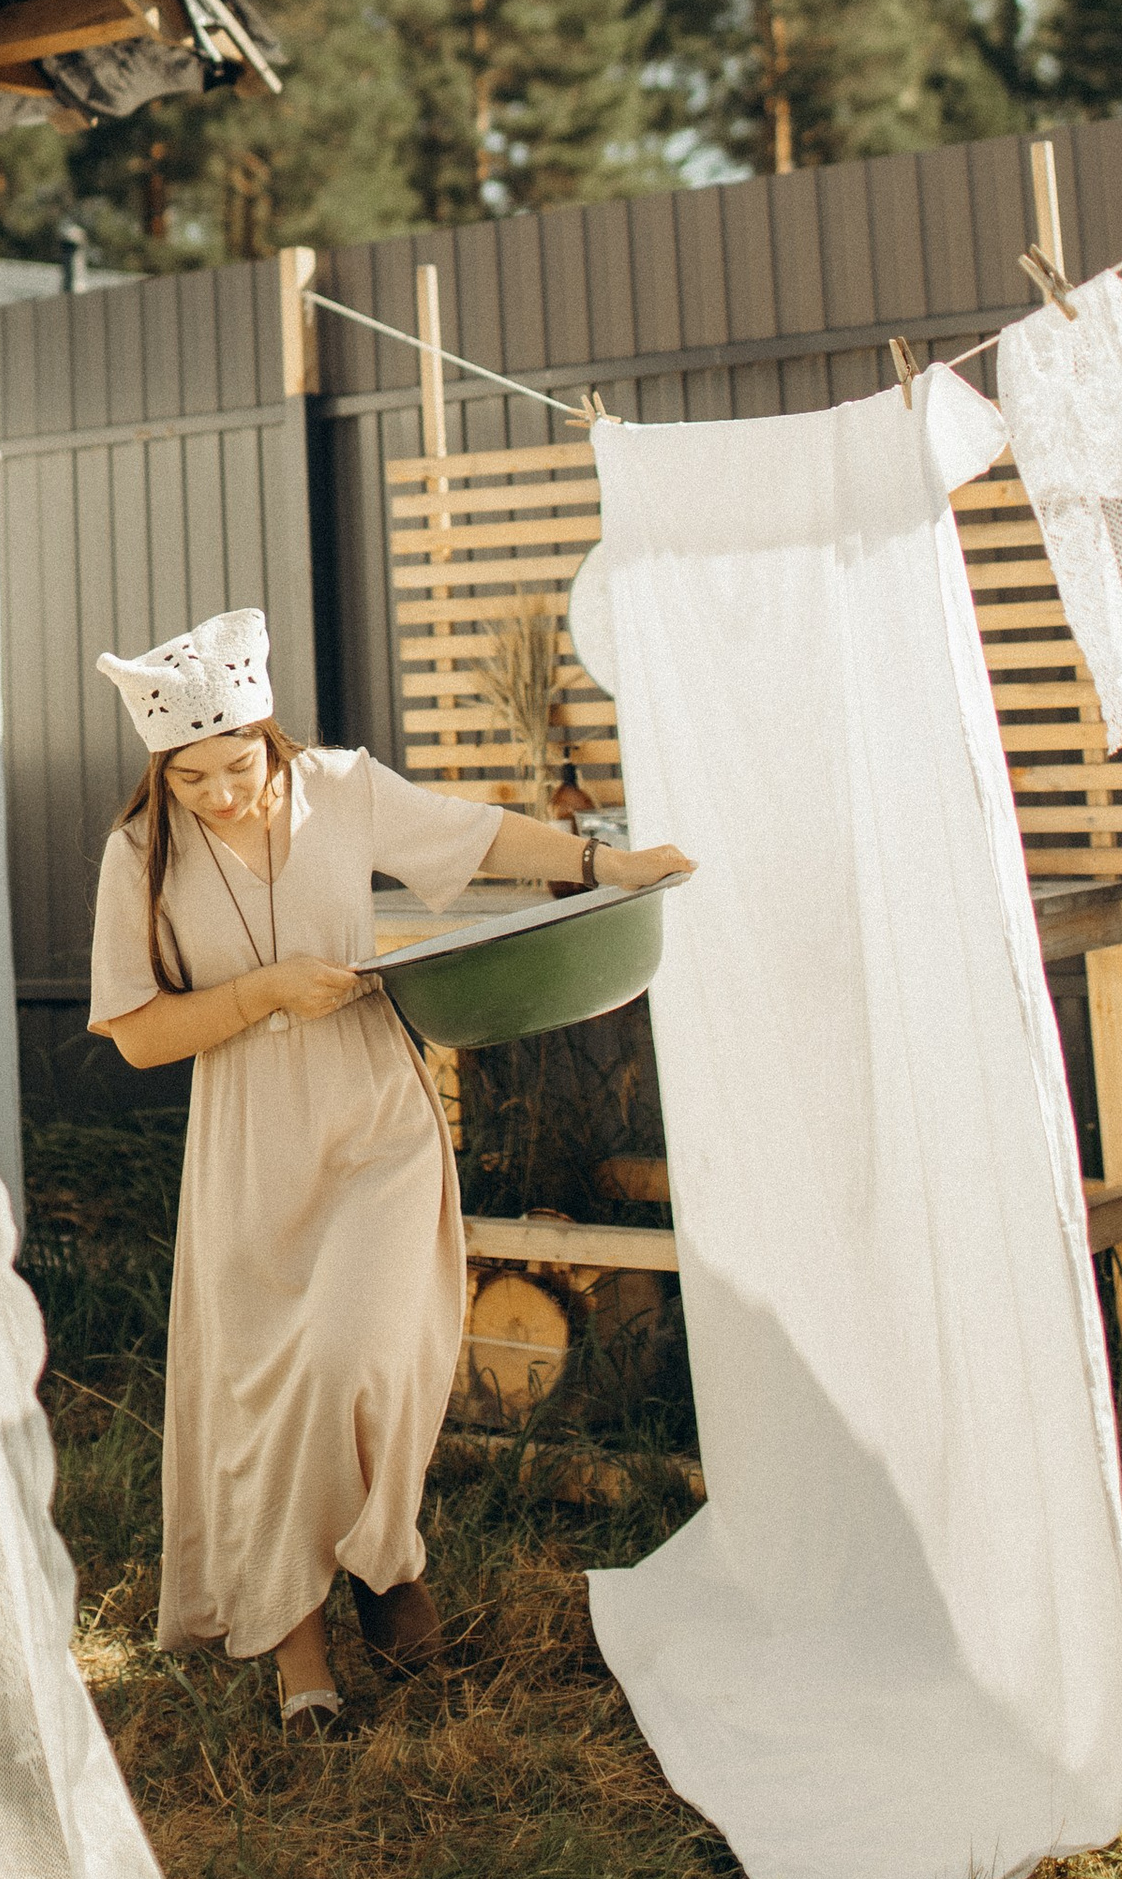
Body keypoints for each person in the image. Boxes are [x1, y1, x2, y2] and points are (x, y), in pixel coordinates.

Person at [86, 607, 694, 1735]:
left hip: (374, 1113)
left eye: (235, 767)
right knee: (273, 1387)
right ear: (160, 777)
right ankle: (299, 1655)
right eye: (190, 781)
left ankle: (382, 1557)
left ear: (267, 736)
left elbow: (482, 839)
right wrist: (264, 993)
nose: (219, 795)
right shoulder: (139, 856)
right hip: (251, 1138)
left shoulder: (342, 788)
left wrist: (609, 863)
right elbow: (134, 1031)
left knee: (362, 1356)